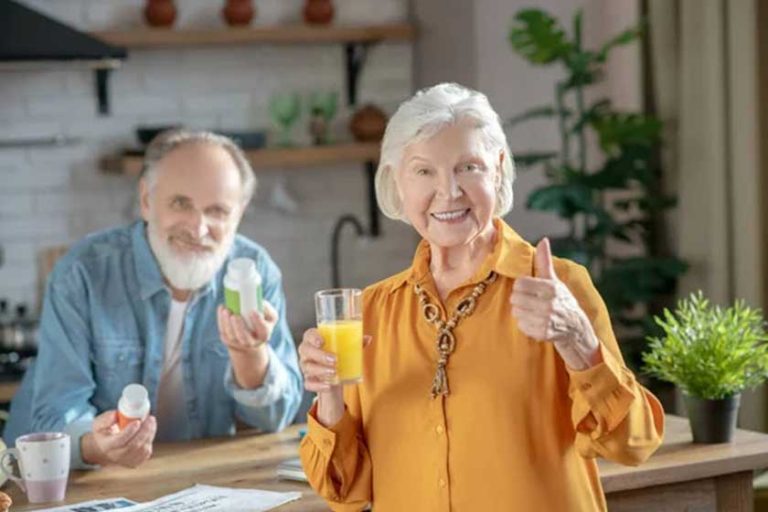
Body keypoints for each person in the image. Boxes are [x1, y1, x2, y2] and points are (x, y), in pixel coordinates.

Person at [297, 83, 664, 511]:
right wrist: (329, 392)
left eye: (468, 167)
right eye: (423, 171)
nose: (449, 191)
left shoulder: (559, 288)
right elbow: (346, 491)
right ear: (396, 182)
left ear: (498, 168)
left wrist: (579, 341)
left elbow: (633, 445)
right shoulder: (374, 310)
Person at [5, 130, 302, 469]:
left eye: (217, 210)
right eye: (181, 204)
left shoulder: (255, 272)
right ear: (146, 200)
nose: (199, 228)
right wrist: (96, 445)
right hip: (61, 481)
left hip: (191, 479)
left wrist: (250, 355)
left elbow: (277, 419)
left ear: (239, 213)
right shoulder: (82, 273)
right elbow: (53, 416)